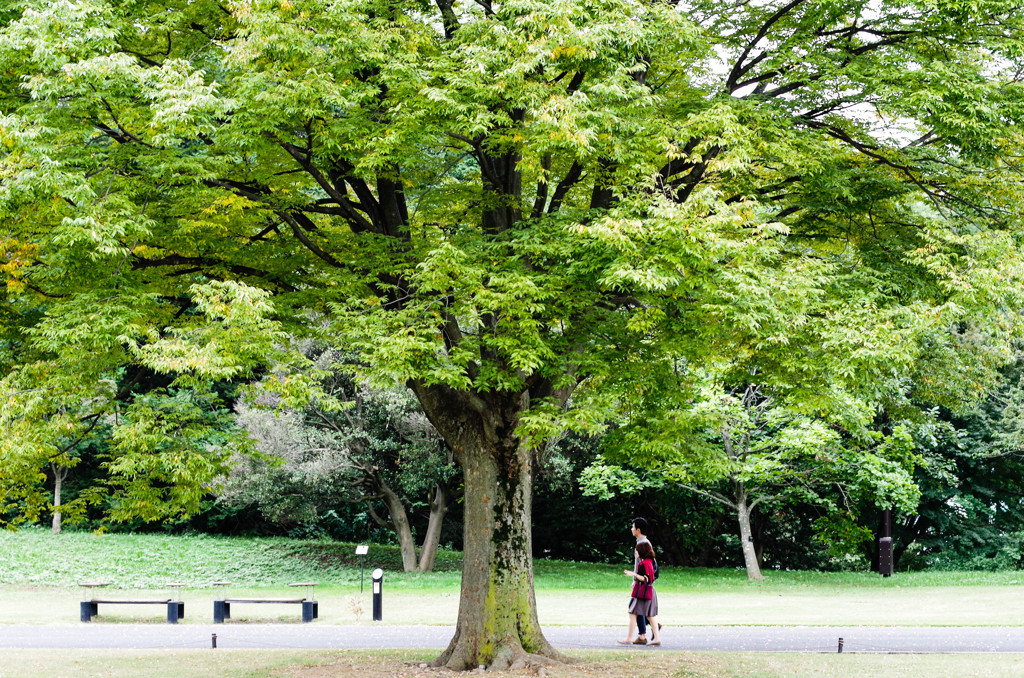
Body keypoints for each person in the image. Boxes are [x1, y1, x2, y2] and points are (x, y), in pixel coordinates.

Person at [618, 540, 661, 646]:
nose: (636, 553)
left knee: (633, 613)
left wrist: (634, 575)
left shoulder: (644, 563)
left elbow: (647, 579)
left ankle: (629, 639)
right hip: (648, 591)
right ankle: (656, 639)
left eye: (637, 551)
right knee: (649, 616)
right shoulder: (649, 562)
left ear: (641, 551)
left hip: (643, 591)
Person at [630, 518, 660, 635]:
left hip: (643, 581)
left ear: (638, 529)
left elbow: (642, 565)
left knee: (636, 608)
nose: (631, 529)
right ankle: (649, 630)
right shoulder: (641, 542)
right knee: (639, 609)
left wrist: (636, 580)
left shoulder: (643, 543)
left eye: (633, 527)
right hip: (642, 580)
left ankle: (643, 634)